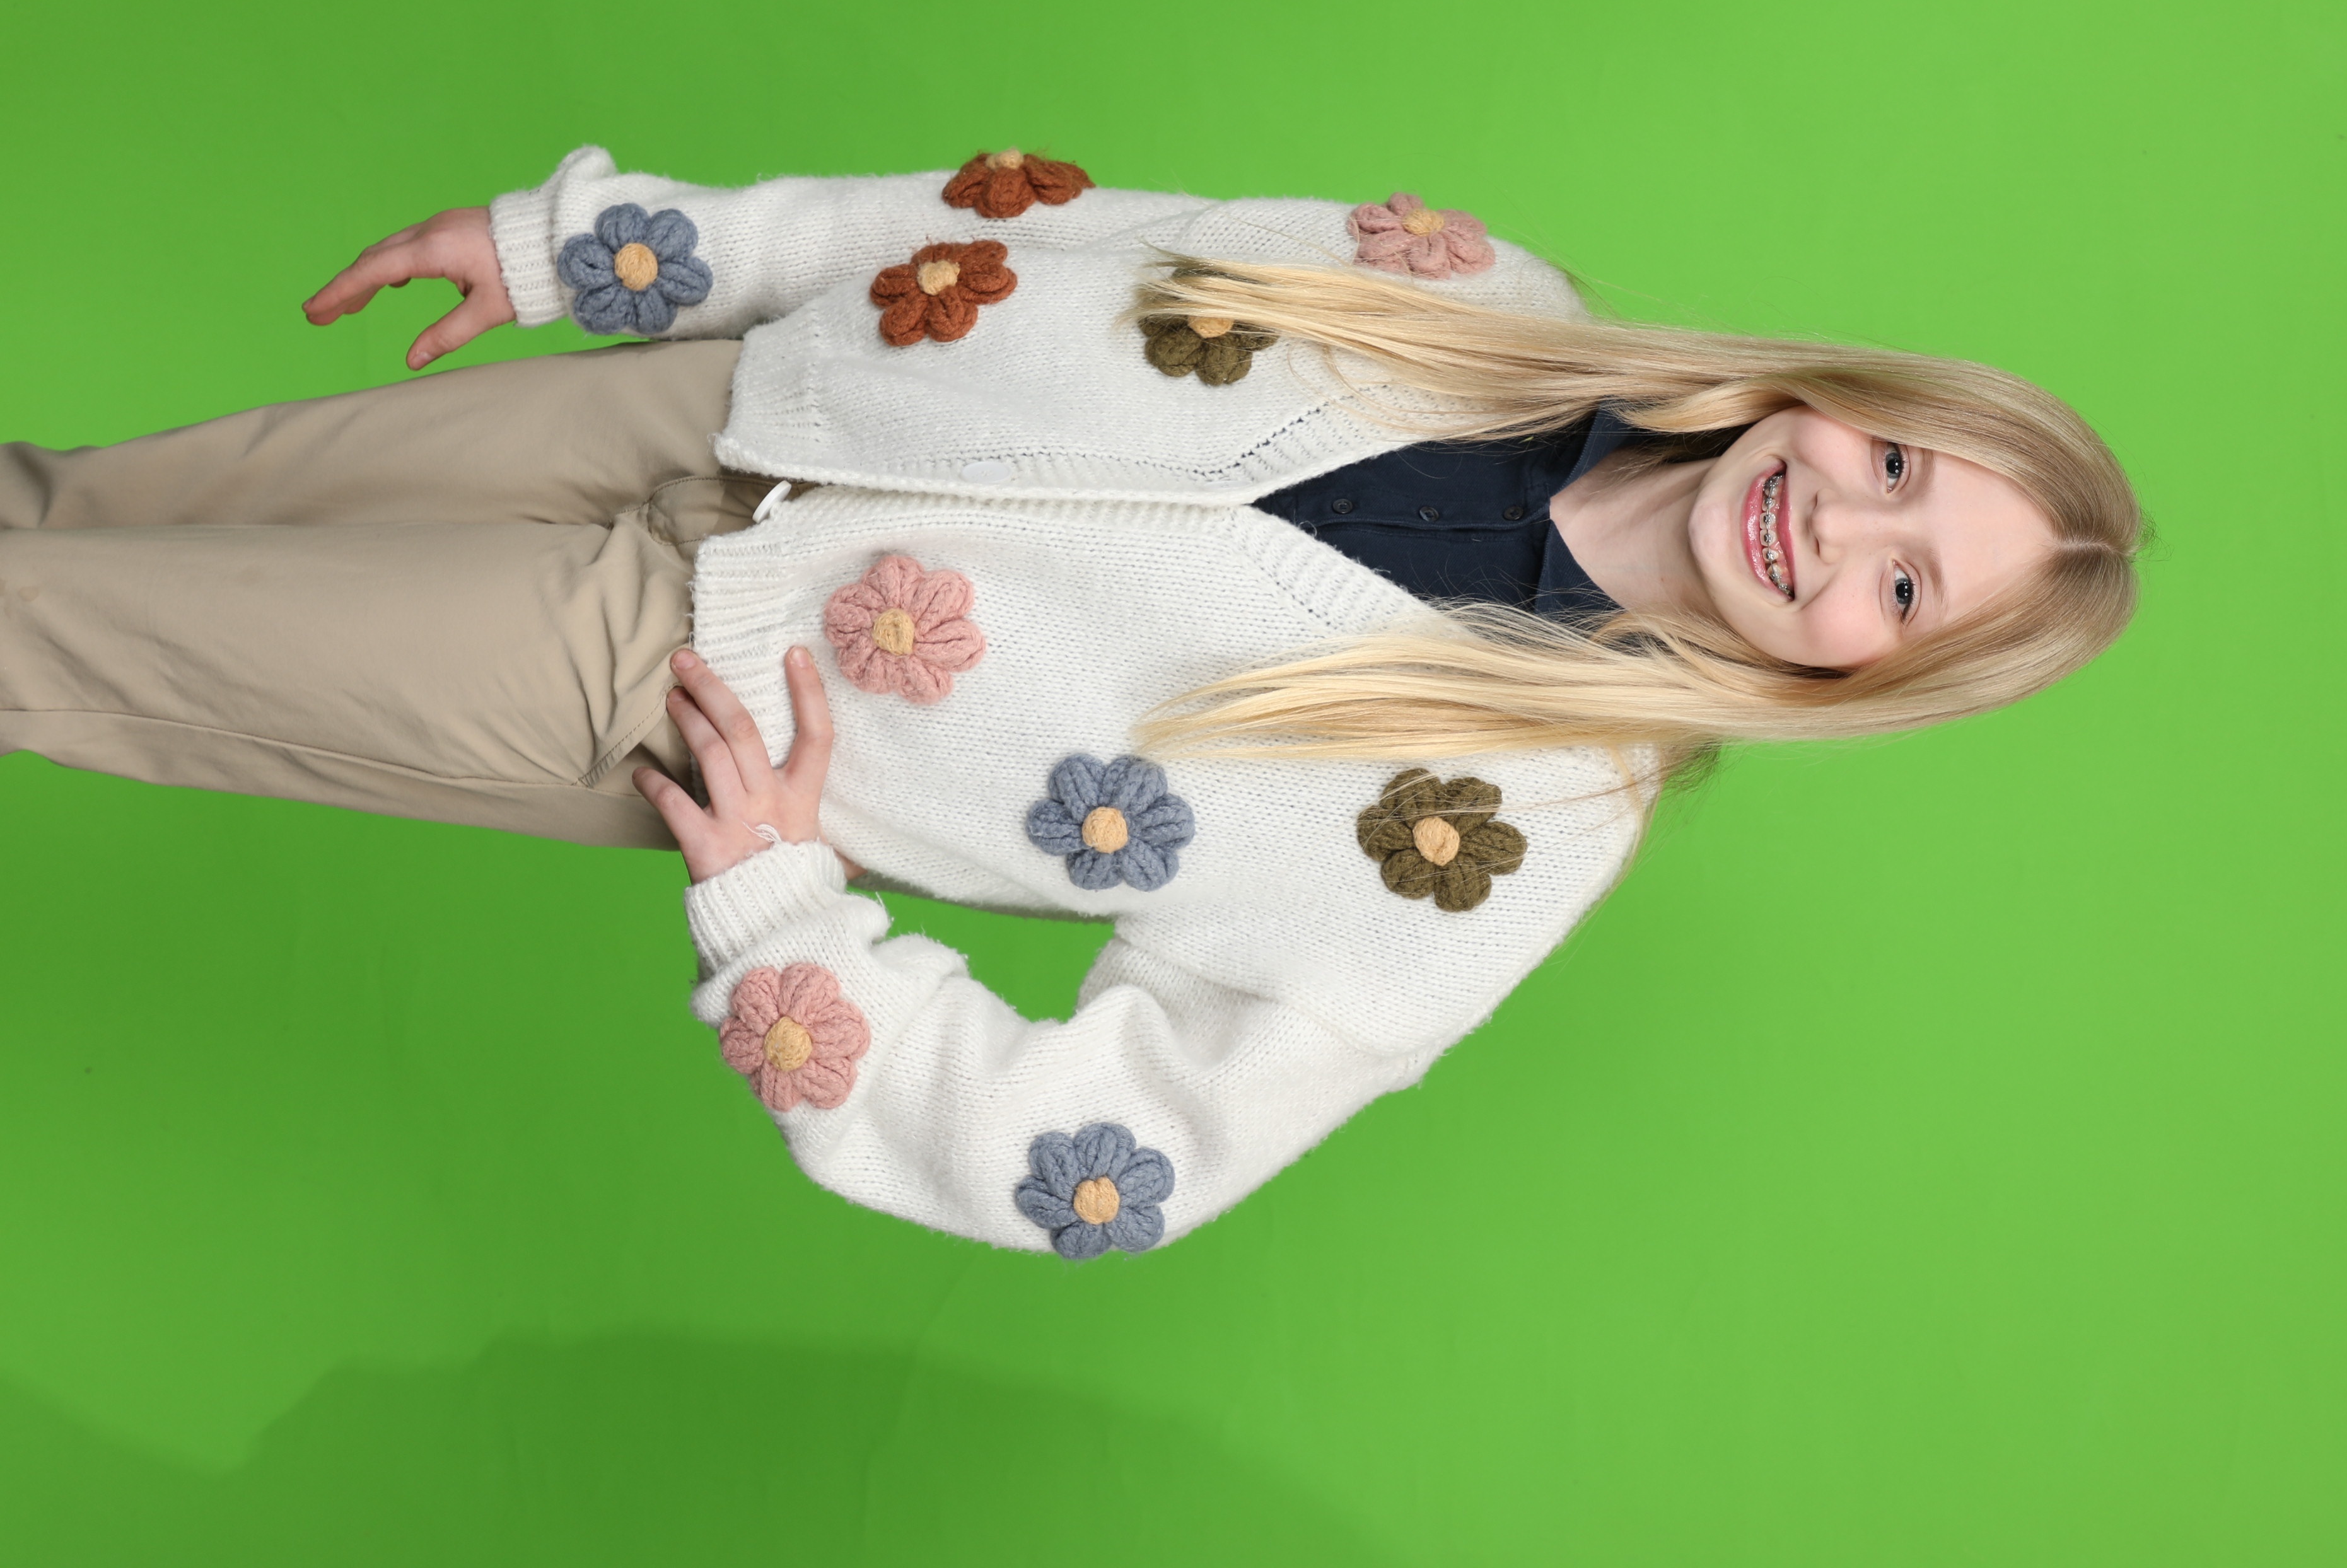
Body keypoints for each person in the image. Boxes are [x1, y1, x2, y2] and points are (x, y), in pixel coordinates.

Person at [0, 146, 2143, 1260]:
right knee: (75, 516)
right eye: (1894, 463)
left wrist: (789, 927)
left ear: (1875, 677)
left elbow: (1106, 1169)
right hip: (724, 399)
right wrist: (608, 251)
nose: (1838, 524)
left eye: (1903, 584)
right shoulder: (1488, 298)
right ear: (1842, 391)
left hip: (682, 681)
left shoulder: (1497, 851)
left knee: (46, 633)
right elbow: (1020, 227)